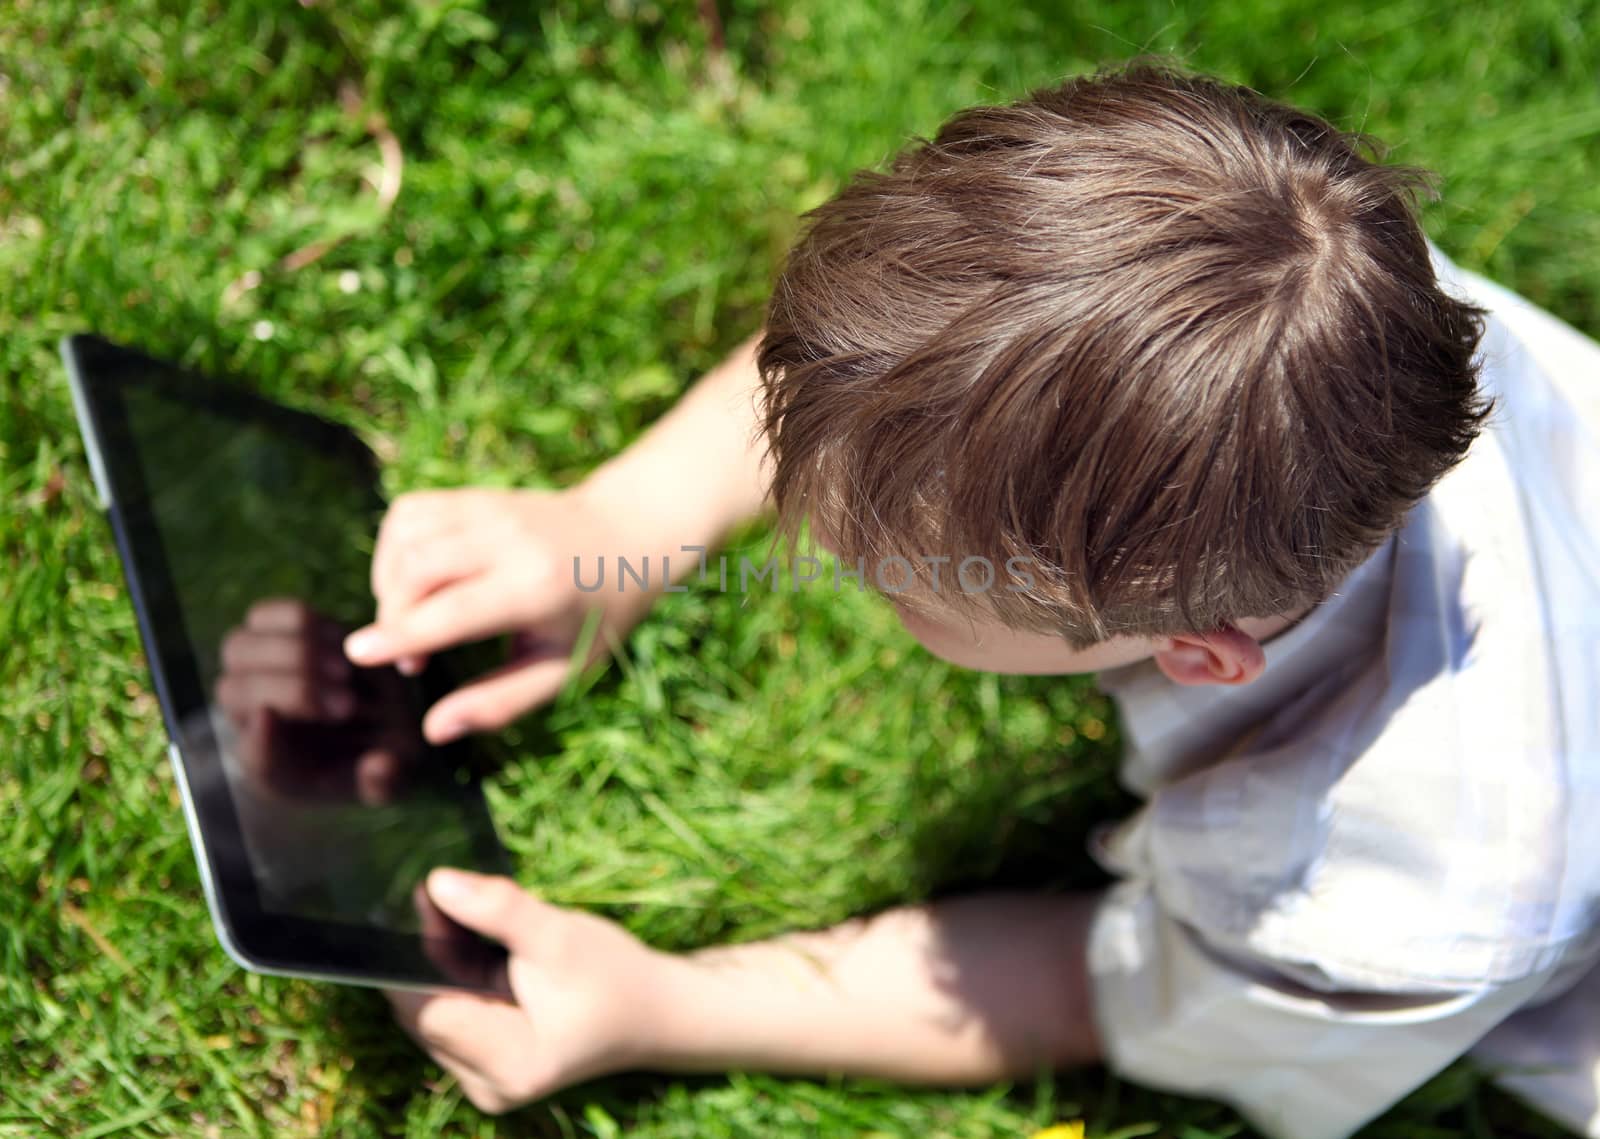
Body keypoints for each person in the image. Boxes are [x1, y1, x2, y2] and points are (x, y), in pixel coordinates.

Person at [338, 62, 1600, 1139]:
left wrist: (659, 1001)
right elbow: (904, 375)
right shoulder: (1313, 289)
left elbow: (1082, 981)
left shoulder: (1362, 890)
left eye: (891, 576)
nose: (819, 546)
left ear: (1198, 654)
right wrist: (617, 524)